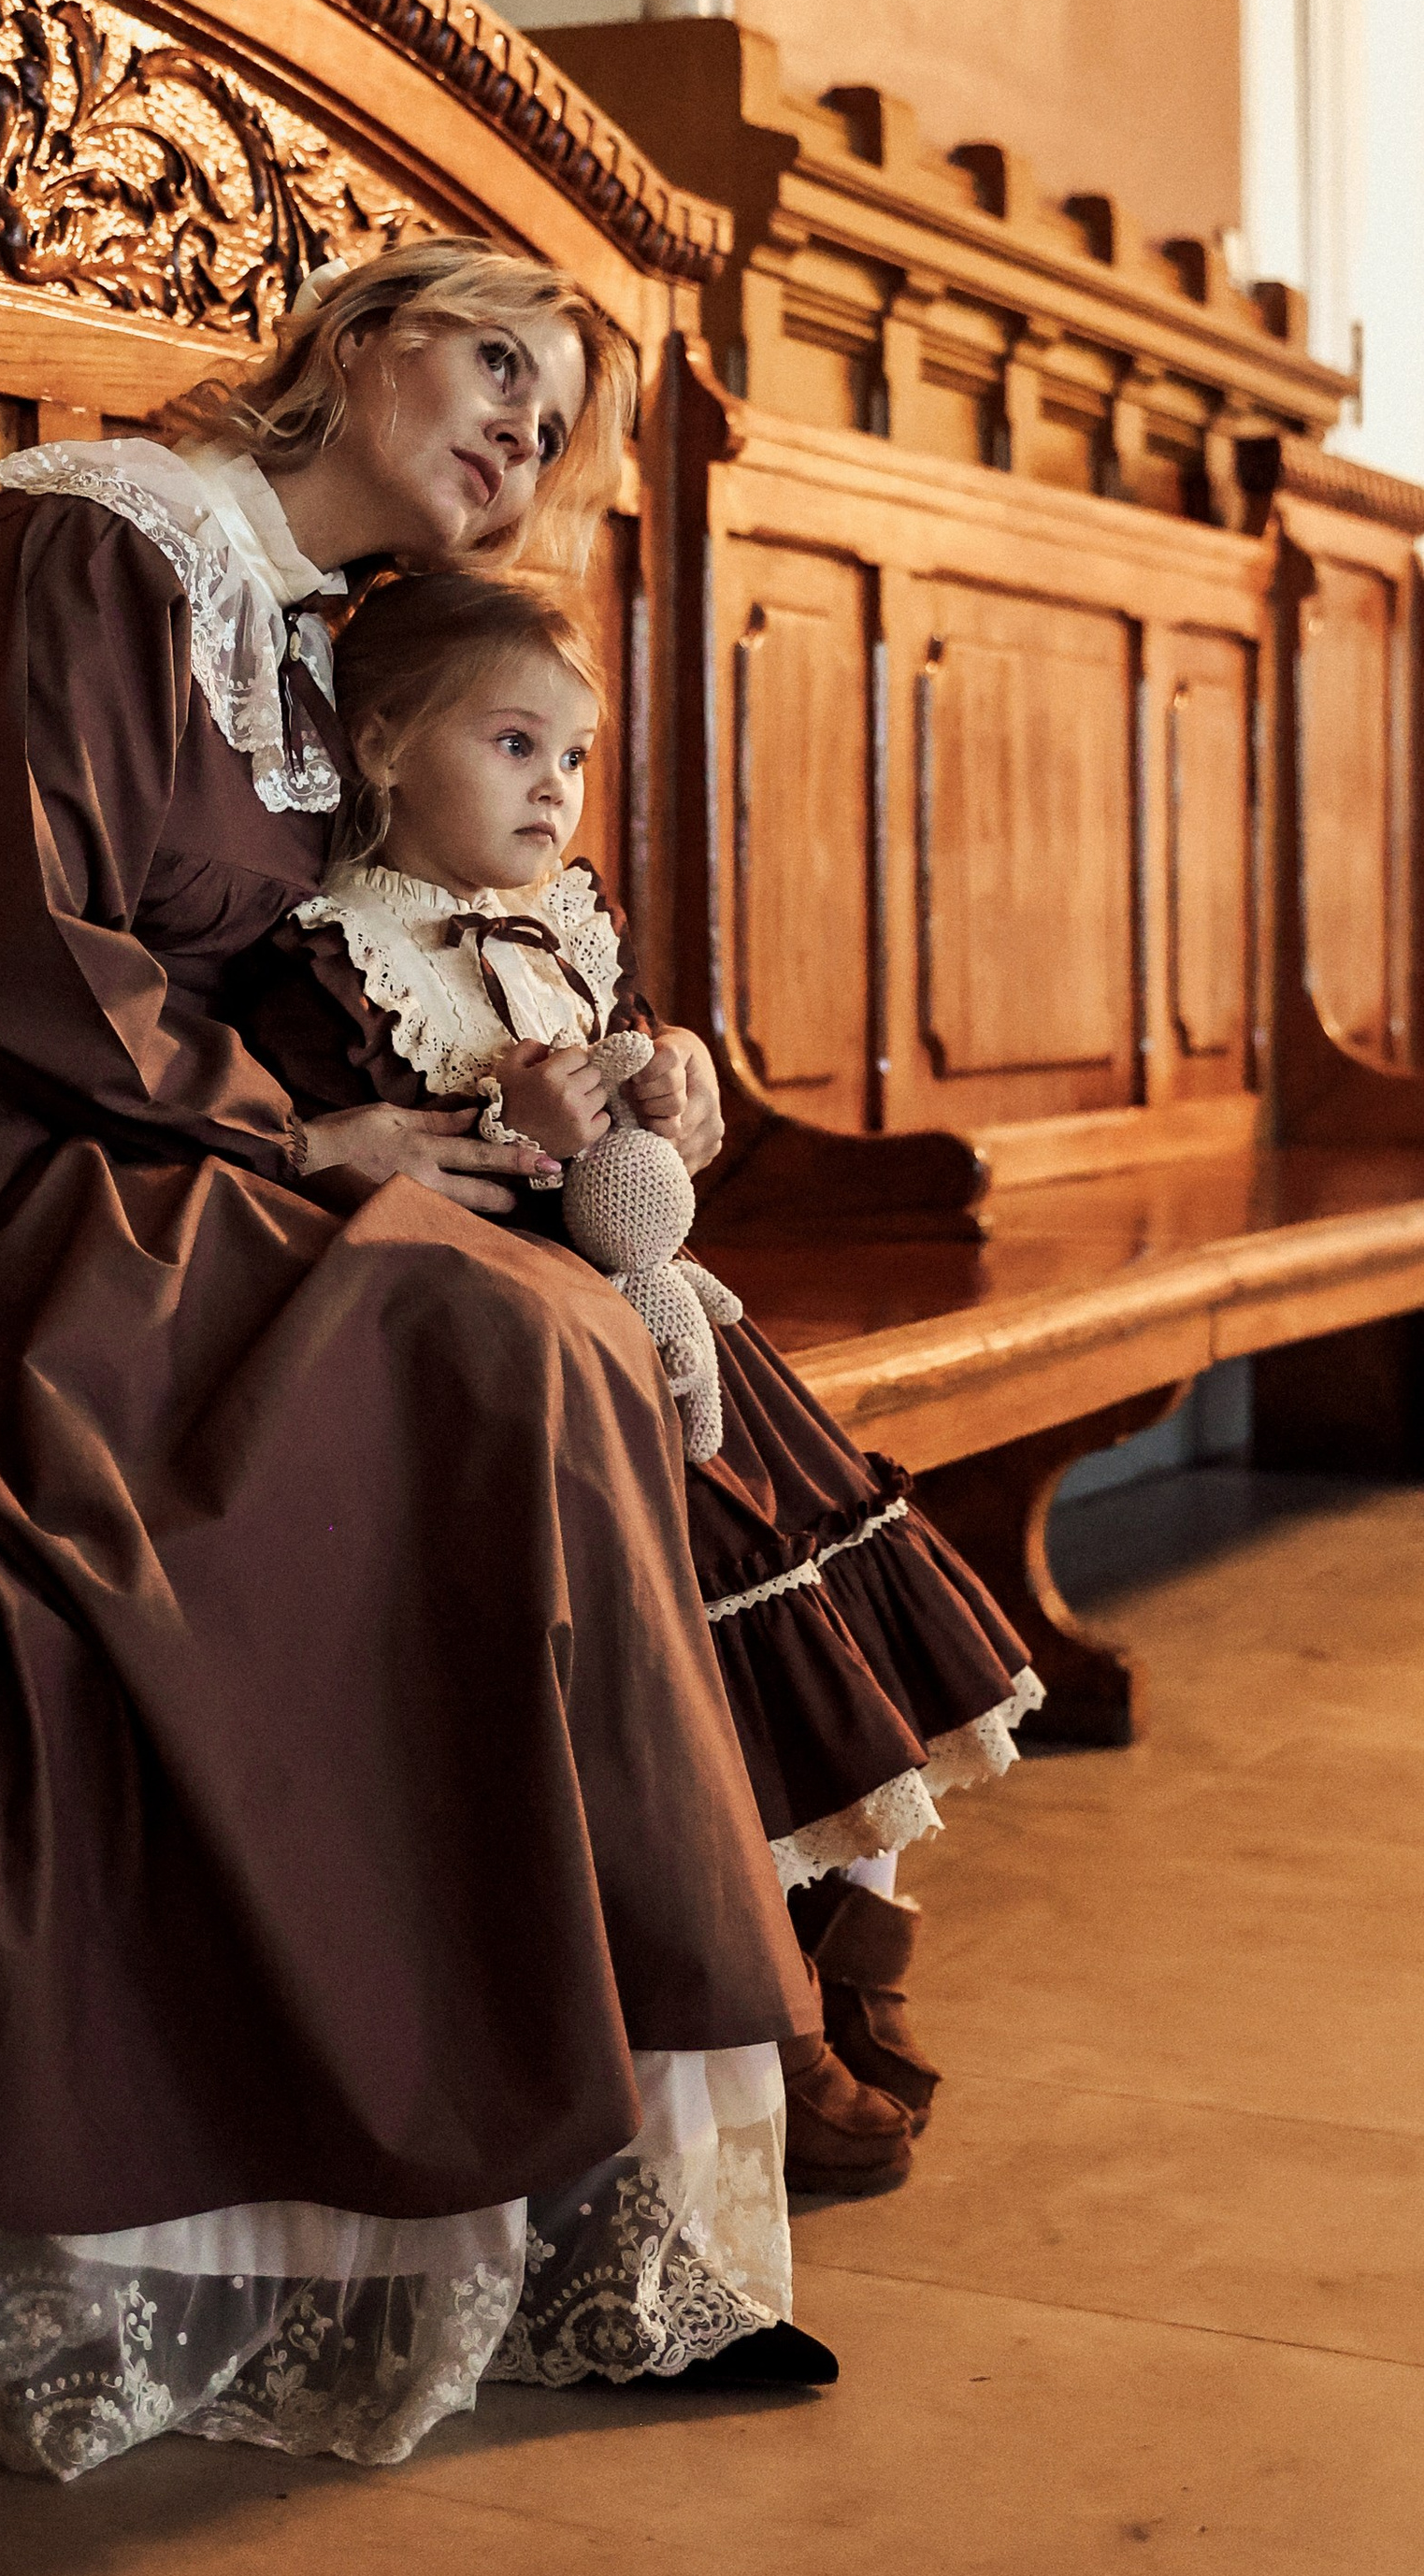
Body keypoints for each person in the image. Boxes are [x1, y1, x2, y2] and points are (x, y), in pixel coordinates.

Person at [0, 240, 836, 2482]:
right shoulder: (80, 543)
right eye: (493, 363)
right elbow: (5, 943)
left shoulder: (332, 652)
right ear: (345, 341)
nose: (521, 428)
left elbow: (346, 970)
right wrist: (304, 1140)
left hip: (156, 1133)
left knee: (565, 1329)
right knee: (480, 1355)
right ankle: (301, 2190)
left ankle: (578, 2192)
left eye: (553, 412)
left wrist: (545, 1099)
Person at [235, 566, 1044, 2200]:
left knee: (834, 1634)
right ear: (383, 743)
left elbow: (658, 1168)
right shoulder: (328, 967)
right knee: (698, 1705)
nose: (556, 786)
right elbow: (331, 1208)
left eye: (578, 754)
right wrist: (522, 1137)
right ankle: (767, 2026)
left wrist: (673, 1086)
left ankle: (856, 1948)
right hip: (535, 1390)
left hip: (691, 1349)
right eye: (515, 741)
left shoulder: (572, 925)